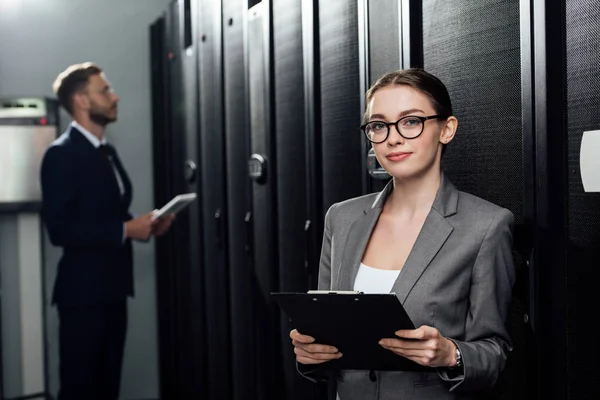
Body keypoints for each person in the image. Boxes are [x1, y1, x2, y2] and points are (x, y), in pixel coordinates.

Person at [290, 68, 515, 399]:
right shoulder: (342, 217)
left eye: (410, 121)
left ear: (446, 129)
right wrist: (312, 355)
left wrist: (450, 354)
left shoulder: (486, 225)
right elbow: (326, 332)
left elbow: (494, 352)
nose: (392, 138)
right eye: (379, 125)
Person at [41, 62, 174, 400]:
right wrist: (125, 229)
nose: (114, 97)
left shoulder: (106, 151)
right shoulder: (60, 155)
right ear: (82, 101)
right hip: (82, 295)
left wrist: (145, 225)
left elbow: (107, 212)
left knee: (107, 387)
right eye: (105, 90)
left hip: (113, 289)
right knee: (80, 388)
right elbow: (60, 230)